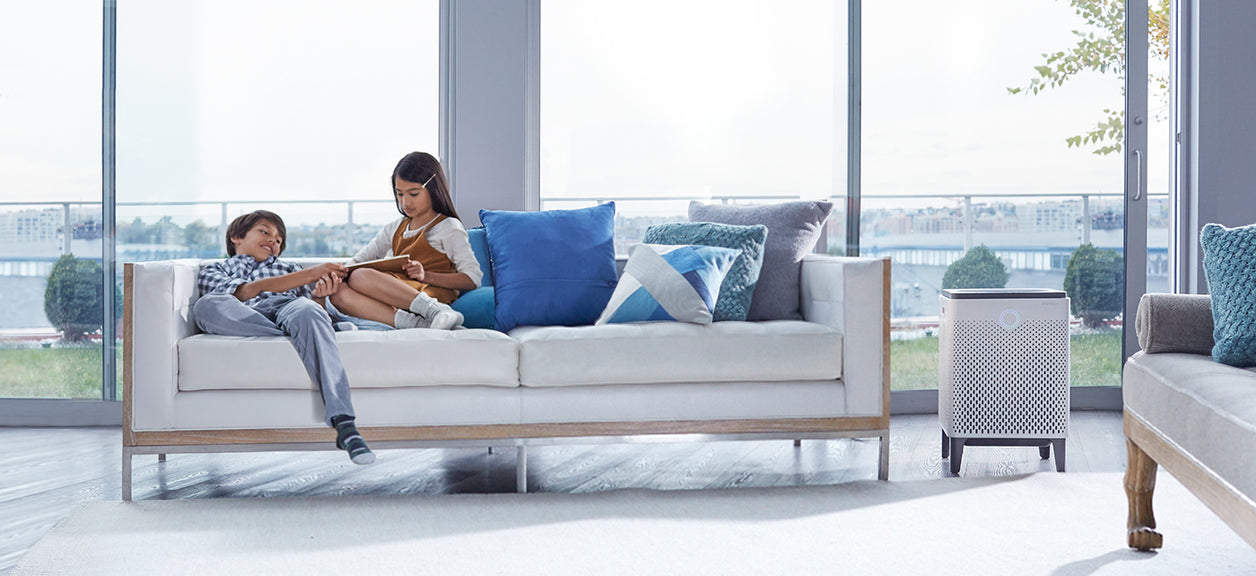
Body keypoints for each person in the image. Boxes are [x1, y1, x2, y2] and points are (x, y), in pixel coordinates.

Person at [193, 210, 375, 465]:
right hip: (246, 314)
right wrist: (310, 275)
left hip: (287, 308)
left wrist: (320, 298)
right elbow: (245, 292)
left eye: (279, 240)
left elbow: (314, 314)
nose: (273, 241)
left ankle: (345, 424)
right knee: (207, 306)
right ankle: (295, 334)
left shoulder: (289, 267)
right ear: (236, 237)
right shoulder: (216, 268)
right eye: (265, 232)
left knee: (309, 310)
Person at [329, 151, 482, 330]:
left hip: (431, 295)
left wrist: (426, 275)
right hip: (400, 296)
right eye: (400, 194)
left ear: (433, 189)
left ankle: (435, 311)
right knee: (338, 293)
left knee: (360, 276)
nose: (405, 202)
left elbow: (472, 279)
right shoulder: (395, 227)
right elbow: (359, 260)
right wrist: (336, 274)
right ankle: (419, 324)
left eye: (414, 194)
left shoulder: (448, 226)